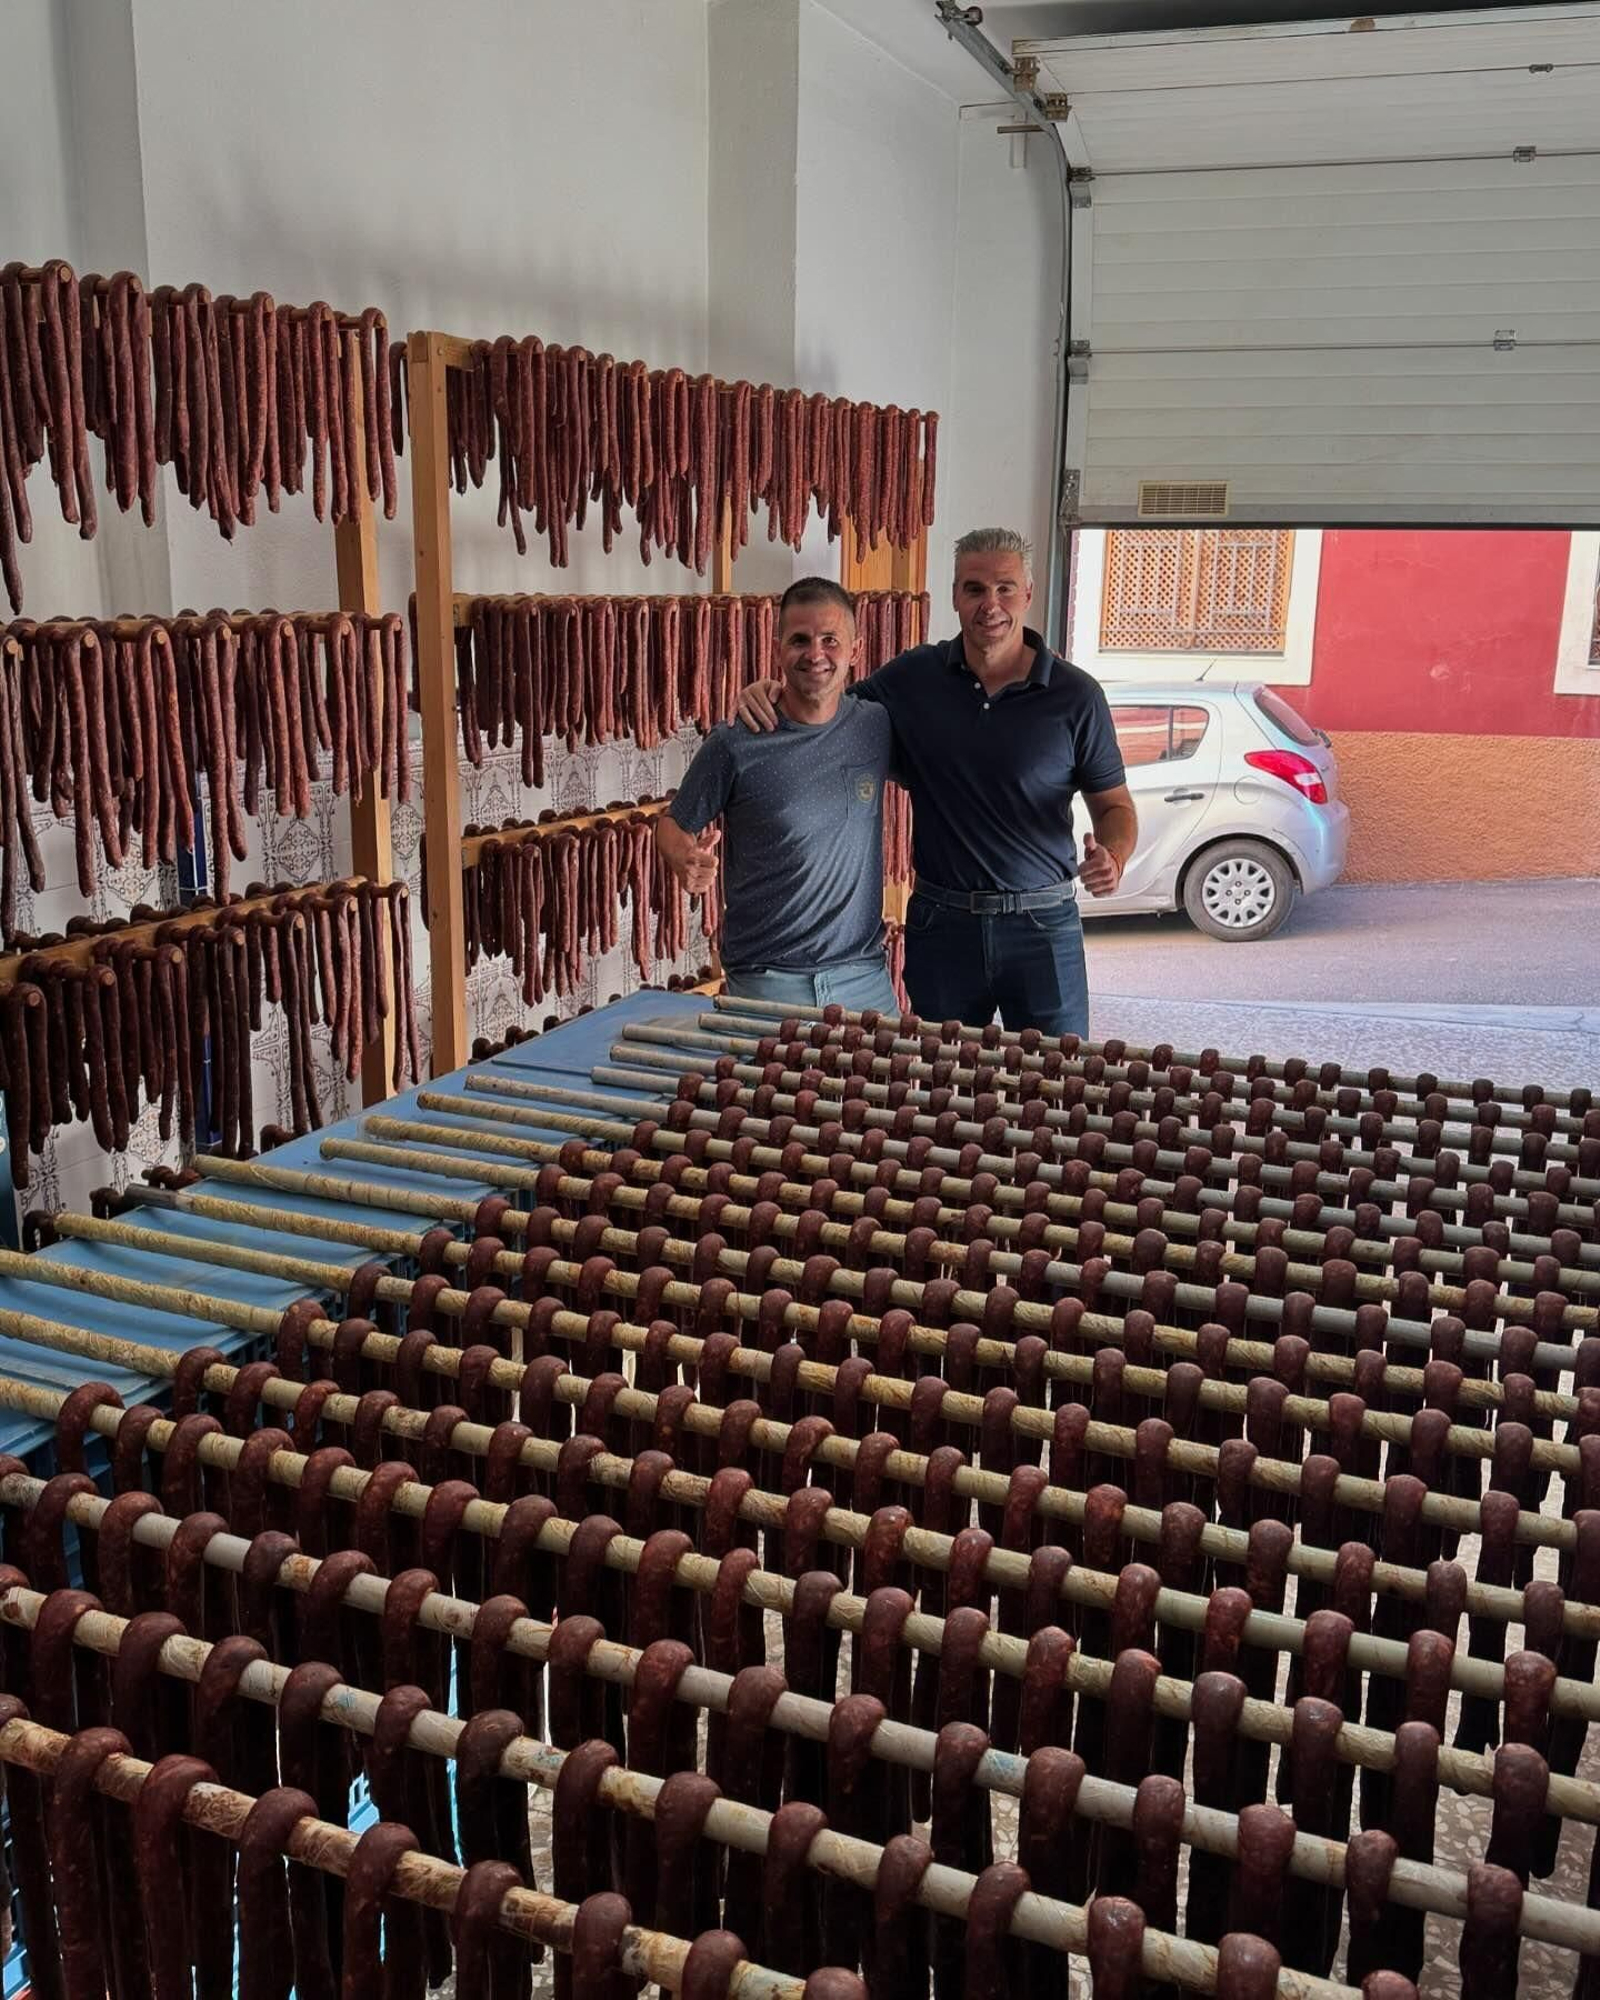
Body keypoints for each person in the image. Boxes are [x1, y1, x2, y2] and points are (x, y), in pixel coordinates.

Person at [735, 526, 1137, 1037]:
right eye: (974, 589)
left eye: (1005, 588)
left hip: (1042, 927)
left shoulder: (1076, 696)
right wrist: (769, 689)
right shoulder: (913, 677)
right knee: (938, 1090)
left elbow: (1116, 807)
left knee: (1055, 1084)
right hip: (942, 926)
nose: (990, 604)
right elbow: (824, 707)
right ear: (954, 596)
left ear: (1028, 594)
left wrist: (1115, 855)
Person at [656, 576, 901, 1012]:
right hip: (766, 985)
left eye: (830, 640)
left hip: (865, 982)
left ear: (855, 651)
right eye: (799, 640)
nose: (815, 654)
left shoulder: (876, 725)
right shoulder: (736, 741)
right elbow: (674, 823)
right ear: (777, 649)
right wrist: (682, 858)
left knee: (895, 1082)